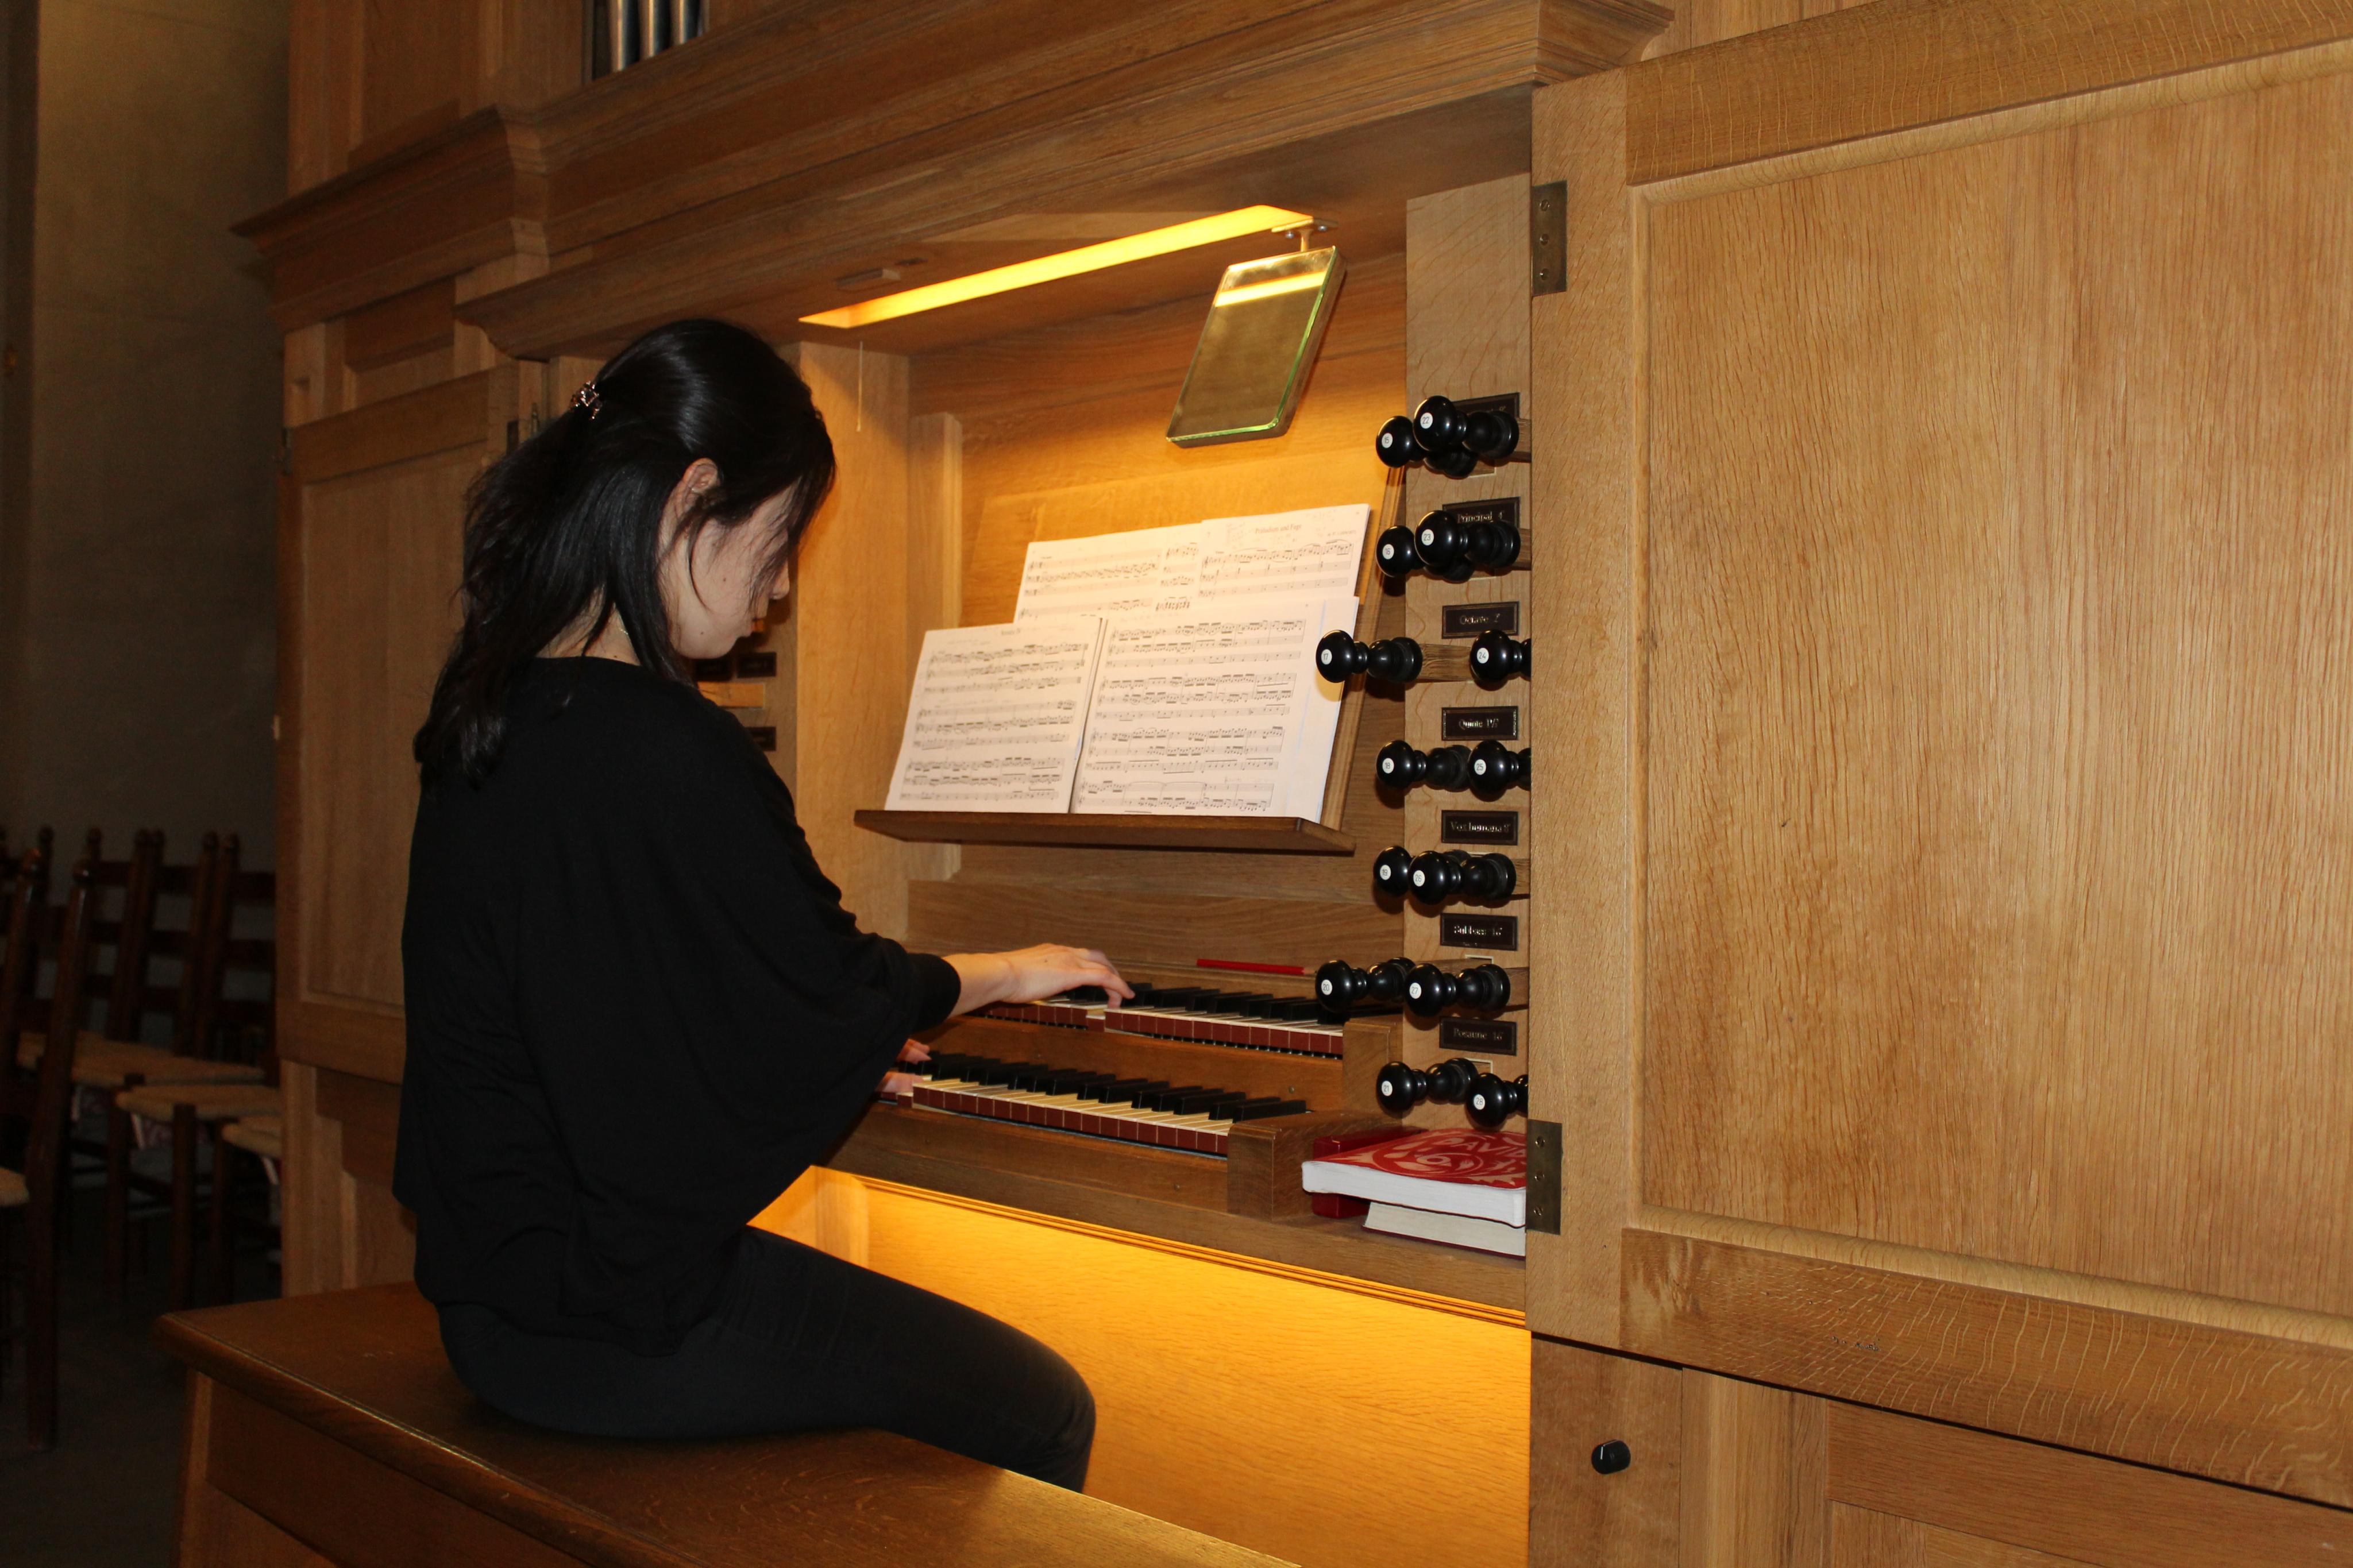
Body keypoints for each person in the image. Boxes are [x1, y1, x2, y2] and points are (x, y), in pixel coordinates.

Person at [395, 318, 1124, 1490]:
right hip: (612, 1325)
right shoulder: (665, 742)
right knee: (1042, 1408)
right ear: (693, 497)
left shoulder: (494, 707)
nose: (781, 589)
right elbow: (824, 981)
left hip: (496, 1301)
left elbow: (622, 1001)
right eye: (781, 541)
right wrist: (1001, 972)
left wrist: (805, 1040)